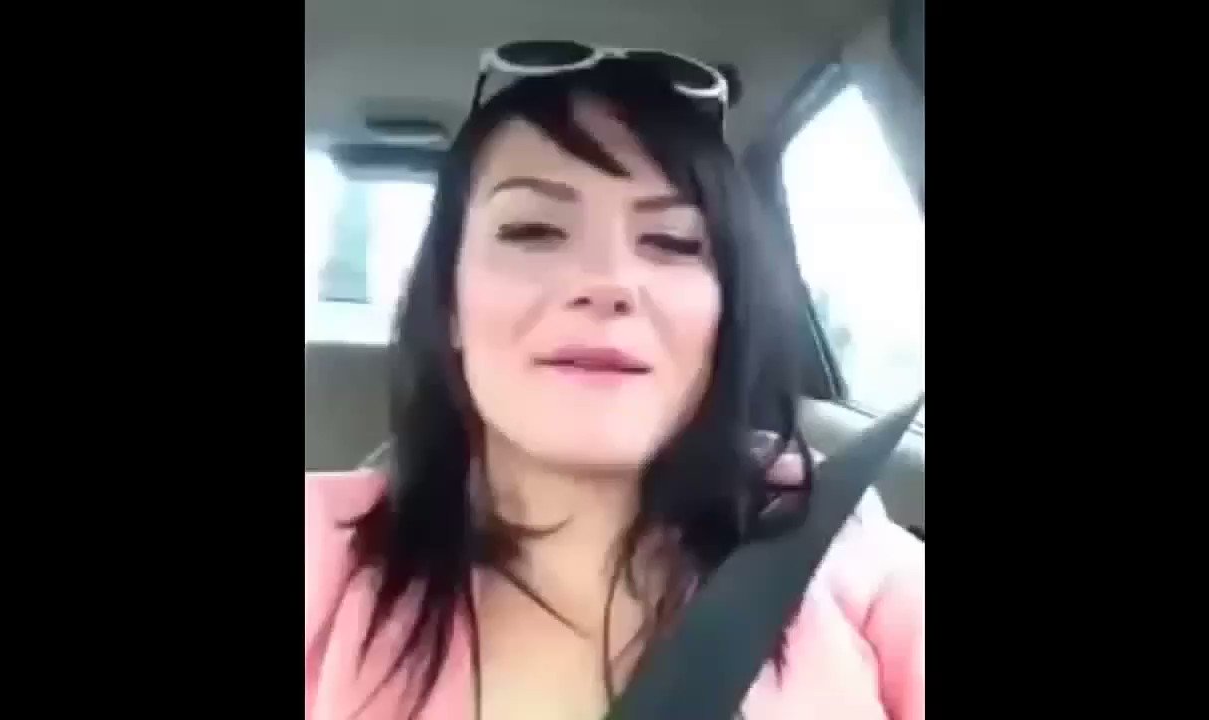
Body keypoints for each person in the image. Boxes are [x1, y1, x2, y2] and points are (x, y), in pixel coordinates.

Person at [306, 53, 924, 720]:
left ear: (726, 313)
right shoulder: (323, 550)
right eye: (533, 230)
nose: (607, 283)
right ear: (448, 304)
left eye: (673, 241)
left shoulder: (837, 540)